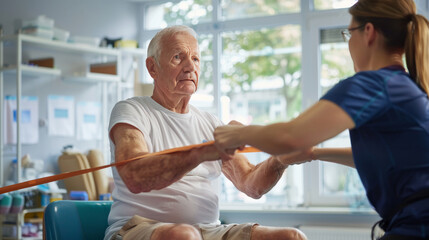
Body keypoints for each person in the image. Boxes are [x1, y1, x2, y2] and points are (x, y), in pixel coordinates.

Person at [213, 0, 429, 239]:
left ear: (368, 32)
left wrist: (238, 134)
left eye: (349, 32)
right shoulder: (403, 86)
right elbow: (383, 157)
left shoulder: (373, 86)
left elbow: (290, 136)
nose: (349, 42)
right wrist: (316, 153)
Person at [104, 25, 307, 240]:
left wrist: (280, 161)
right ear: (152, 68)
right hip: (140, 229)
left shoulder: (211, 124)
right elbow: (134, 176)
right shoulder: (132, 110)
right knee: (184, 235)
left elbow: (251, 185)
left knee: (292, 236)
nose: (190, 66)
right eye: (177, 57)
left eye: (196, 59)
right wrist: (201, 153)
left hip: (207, 230)